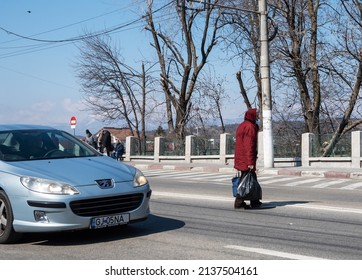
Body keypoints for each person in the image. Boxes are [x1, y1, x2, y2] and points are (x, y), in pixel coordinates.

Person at [234, 108, 262, 209]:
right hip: (246, 159)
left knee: (251, 179)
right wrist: (250, 162)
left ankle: (255, 201)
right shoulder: (250, 127)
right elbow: (249, 145)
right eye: (257, 114)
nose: (258, 116)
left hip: (241, 157)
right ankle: (239, 202)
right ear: (252, 115)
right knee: (245, 181)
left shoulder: (242, 125)